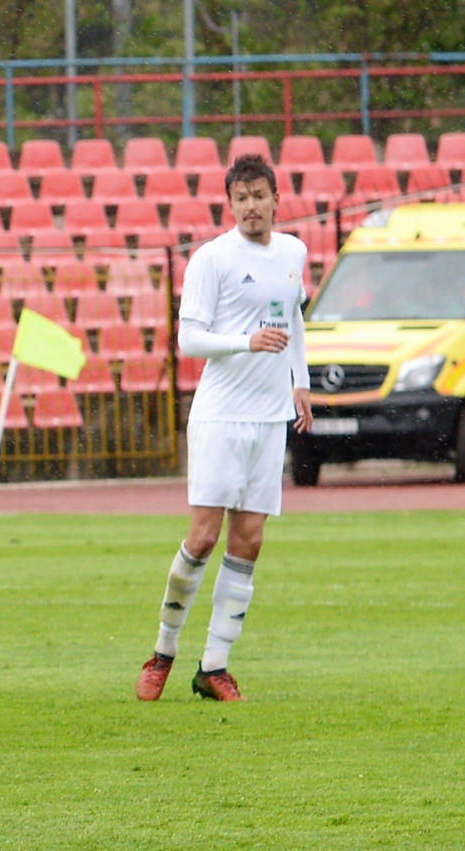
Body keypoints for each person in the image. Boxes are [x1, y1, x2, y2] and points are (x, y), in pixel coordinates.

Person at [137, 154, 311, 703]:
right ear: (230, 204)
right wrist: (247, 342)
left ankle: (214, 666)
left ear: (276, 198)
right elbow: (189, 340)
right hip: (220, 414)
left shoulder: (293, 252)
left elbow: (294, 316)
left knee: (249, 539)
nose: (251, 206)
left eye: (259, 195)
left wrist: (300, 382)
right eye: (241, 198)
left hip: (269, 415)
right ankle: (163, 651)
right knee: (203, 536)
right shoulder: (211, 259)